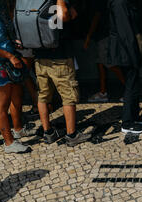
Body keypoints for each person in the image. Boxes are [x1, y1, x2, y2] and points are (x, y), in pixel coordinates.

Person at [33, 0, 90, 147]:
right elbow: (64, 16)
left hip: (39, 54)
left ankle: (48, 132)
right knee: (68, 96)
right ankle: (72, 135)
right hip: (60, 55)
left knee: (43, 95)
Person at [0, 0, 32, 153]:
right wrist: (9, 56)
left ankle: (17, 129)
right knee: (1, 105)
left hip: (8, 59)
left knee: (17, 95)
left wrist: (13, 44)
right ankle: (9, 142)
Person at [108, 0, 142, 135]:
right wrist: (133, 55)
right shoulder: (119, 3)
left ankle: (135, 116)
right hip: (125, 51)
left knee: (134, 84)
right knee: (130, 85)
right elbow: (125, 33)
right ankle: (127, 122)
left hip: (128, 50)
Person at [85, 0, 126, 103]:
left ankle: (129, 88)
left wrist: (88, 37)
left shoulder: (101, 3)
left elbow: (97, 17)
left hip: (105, 34)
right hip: (102, 35)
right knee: (101, 64)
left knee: (109, 63)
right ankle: (103, 92)